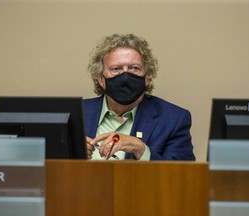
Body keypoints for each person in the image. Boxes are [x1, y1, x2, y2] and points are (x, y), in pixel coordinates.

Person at [83, 33, 195, 161]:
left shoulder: (173, 119)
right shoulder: (78, 113)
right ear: (101, 79)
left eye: (134, 68)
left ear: (147, 77)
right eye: (116, 69)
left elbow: (182, 176)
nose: (125, 76)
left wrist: (141, 149)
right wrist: (71, 158)